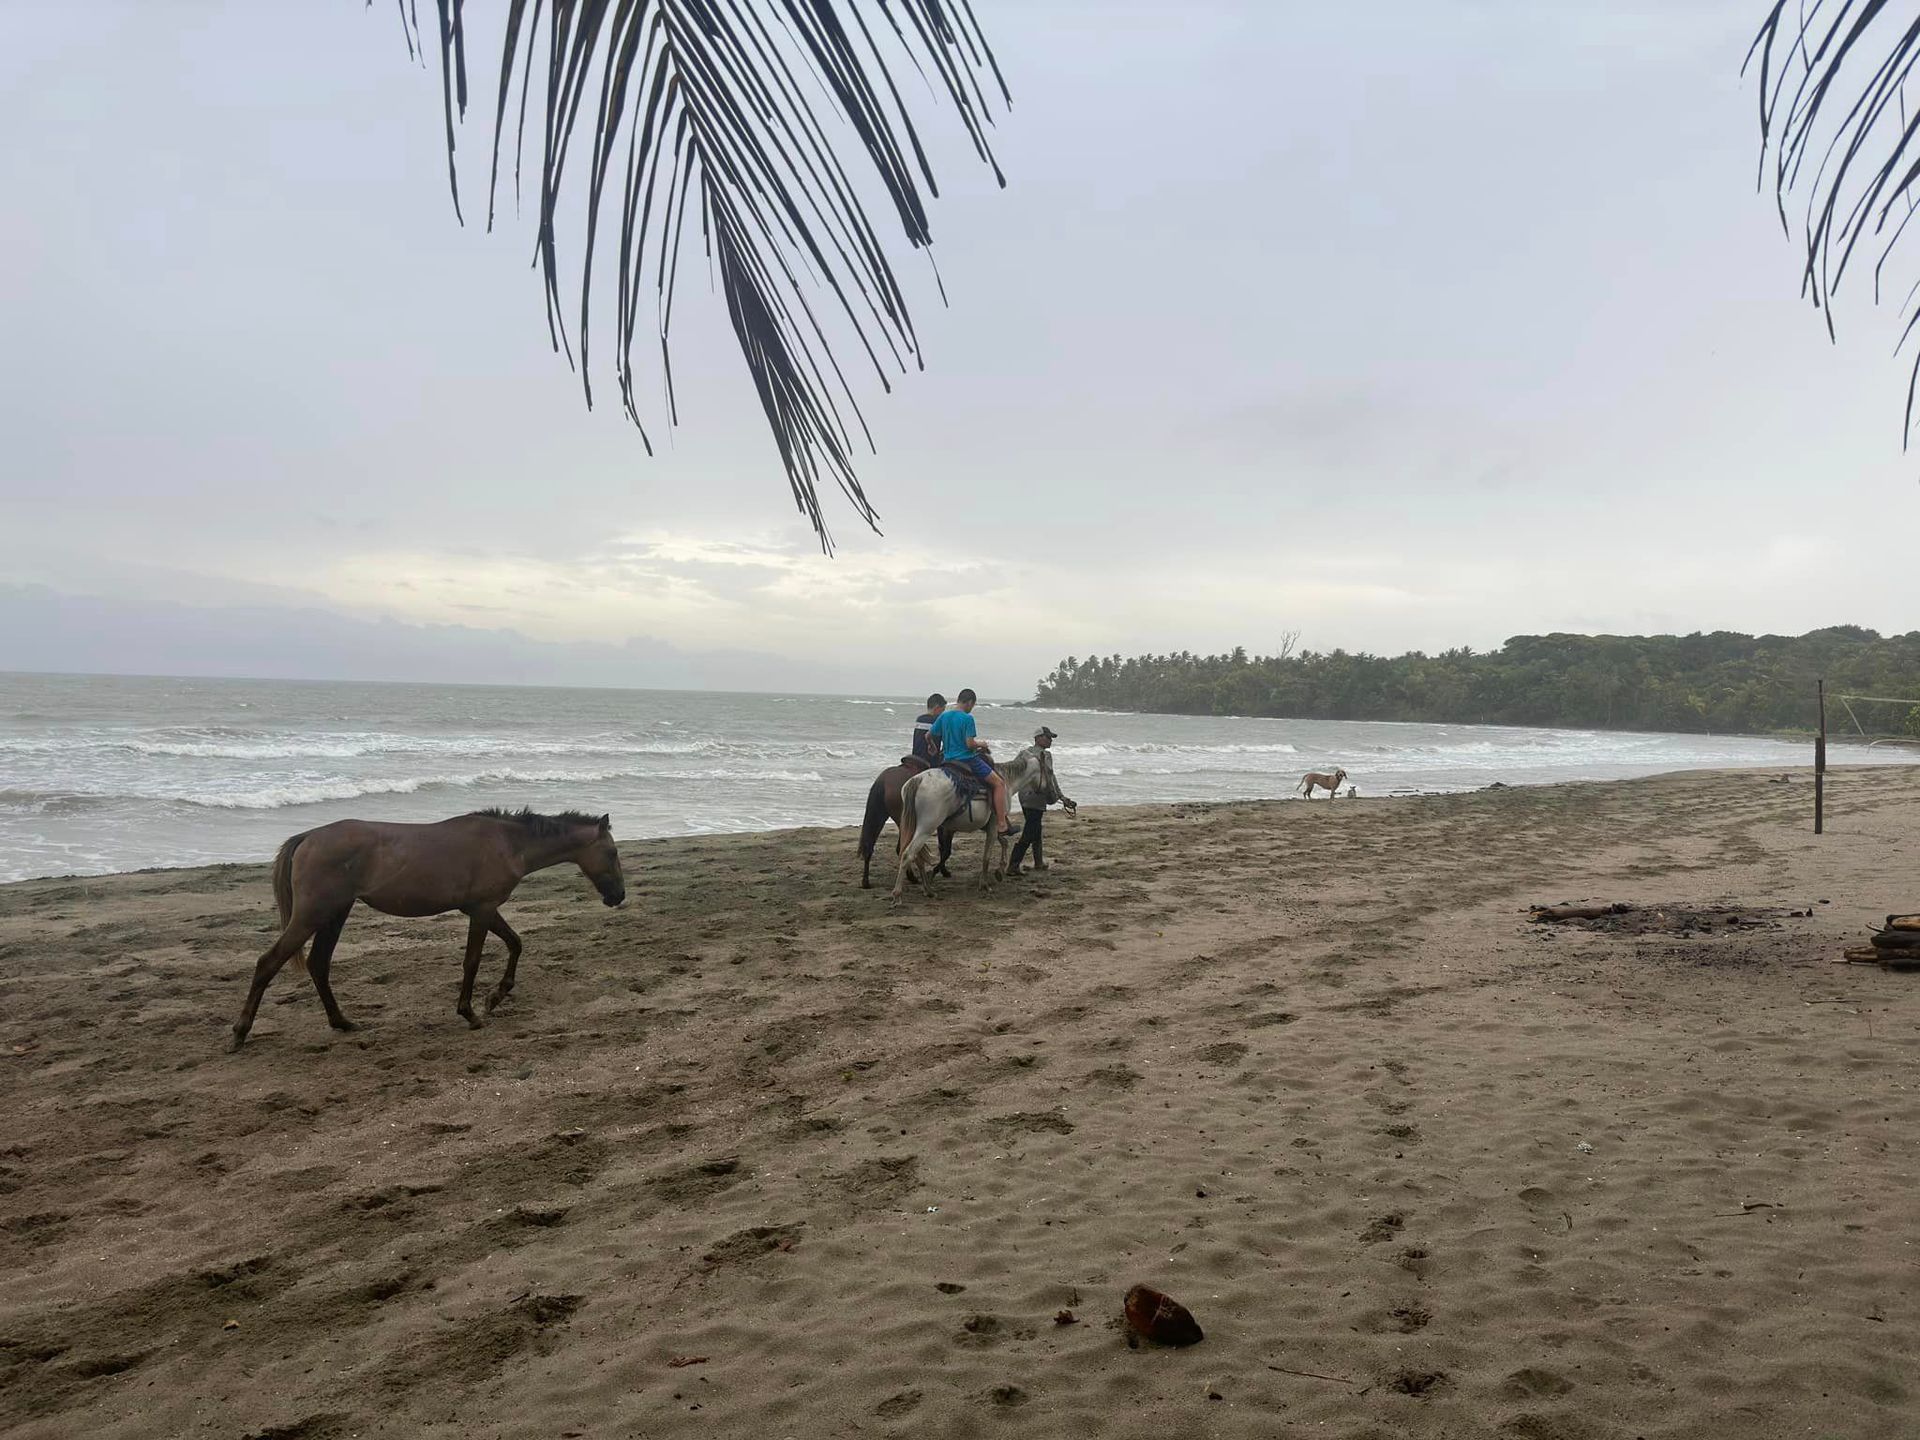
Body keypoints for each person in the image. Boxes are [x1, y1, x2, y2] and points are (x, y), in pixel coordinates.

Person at [927, 688, 1017, 836]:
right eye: (972, 705)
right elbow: (969, 744)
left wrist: (932, 747)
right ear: (969, 702)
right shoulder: (967, 718)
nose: (971, 709)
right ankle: (1002, 824)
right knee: (999, 783)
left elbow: (928, 735)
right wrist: (982, 744)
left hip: (947, 760)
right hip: (967, 759)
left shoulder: (944, 716)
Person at [1008, 725, 1076, 875]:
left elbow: (1013, 772)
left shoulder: (1023, 753)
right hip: (1036, 797)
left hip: (1024, 796)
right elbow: (1050, 778)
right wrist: (1061, 796)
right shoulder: (1045, 756)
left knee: (1036, 828)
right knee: (1031, 830)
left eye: (1051, 738)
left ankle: (1038, 862)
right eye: (1048, 737)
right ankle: (1012, 865)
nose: (1051, 740)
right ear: (1038, 738)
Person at [911, 693, 946, 766]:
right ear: (937, 708)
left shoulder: (919, 719)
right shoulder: (937, 721)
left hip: (915, 757)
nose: (942, 713)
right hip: (930, 761)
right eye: (942, 710)